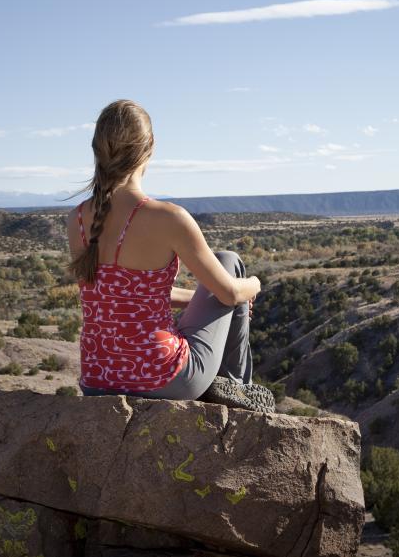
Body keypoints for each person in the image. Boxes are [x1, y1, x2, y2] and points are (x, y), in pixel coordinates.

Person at [63, 99, 274, 412]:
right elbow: (230, 293)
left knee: (221, 280)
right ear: (151, 147)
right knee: (229, 261)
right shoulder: (168, 218)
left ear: (96, 149)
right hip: (164, 378)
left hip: (97, 380)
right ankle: (235, 388)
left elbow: (127, 295)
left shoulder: (77, 220)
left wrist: (199, 297)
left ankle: (231, 388)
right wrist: (254, 284)